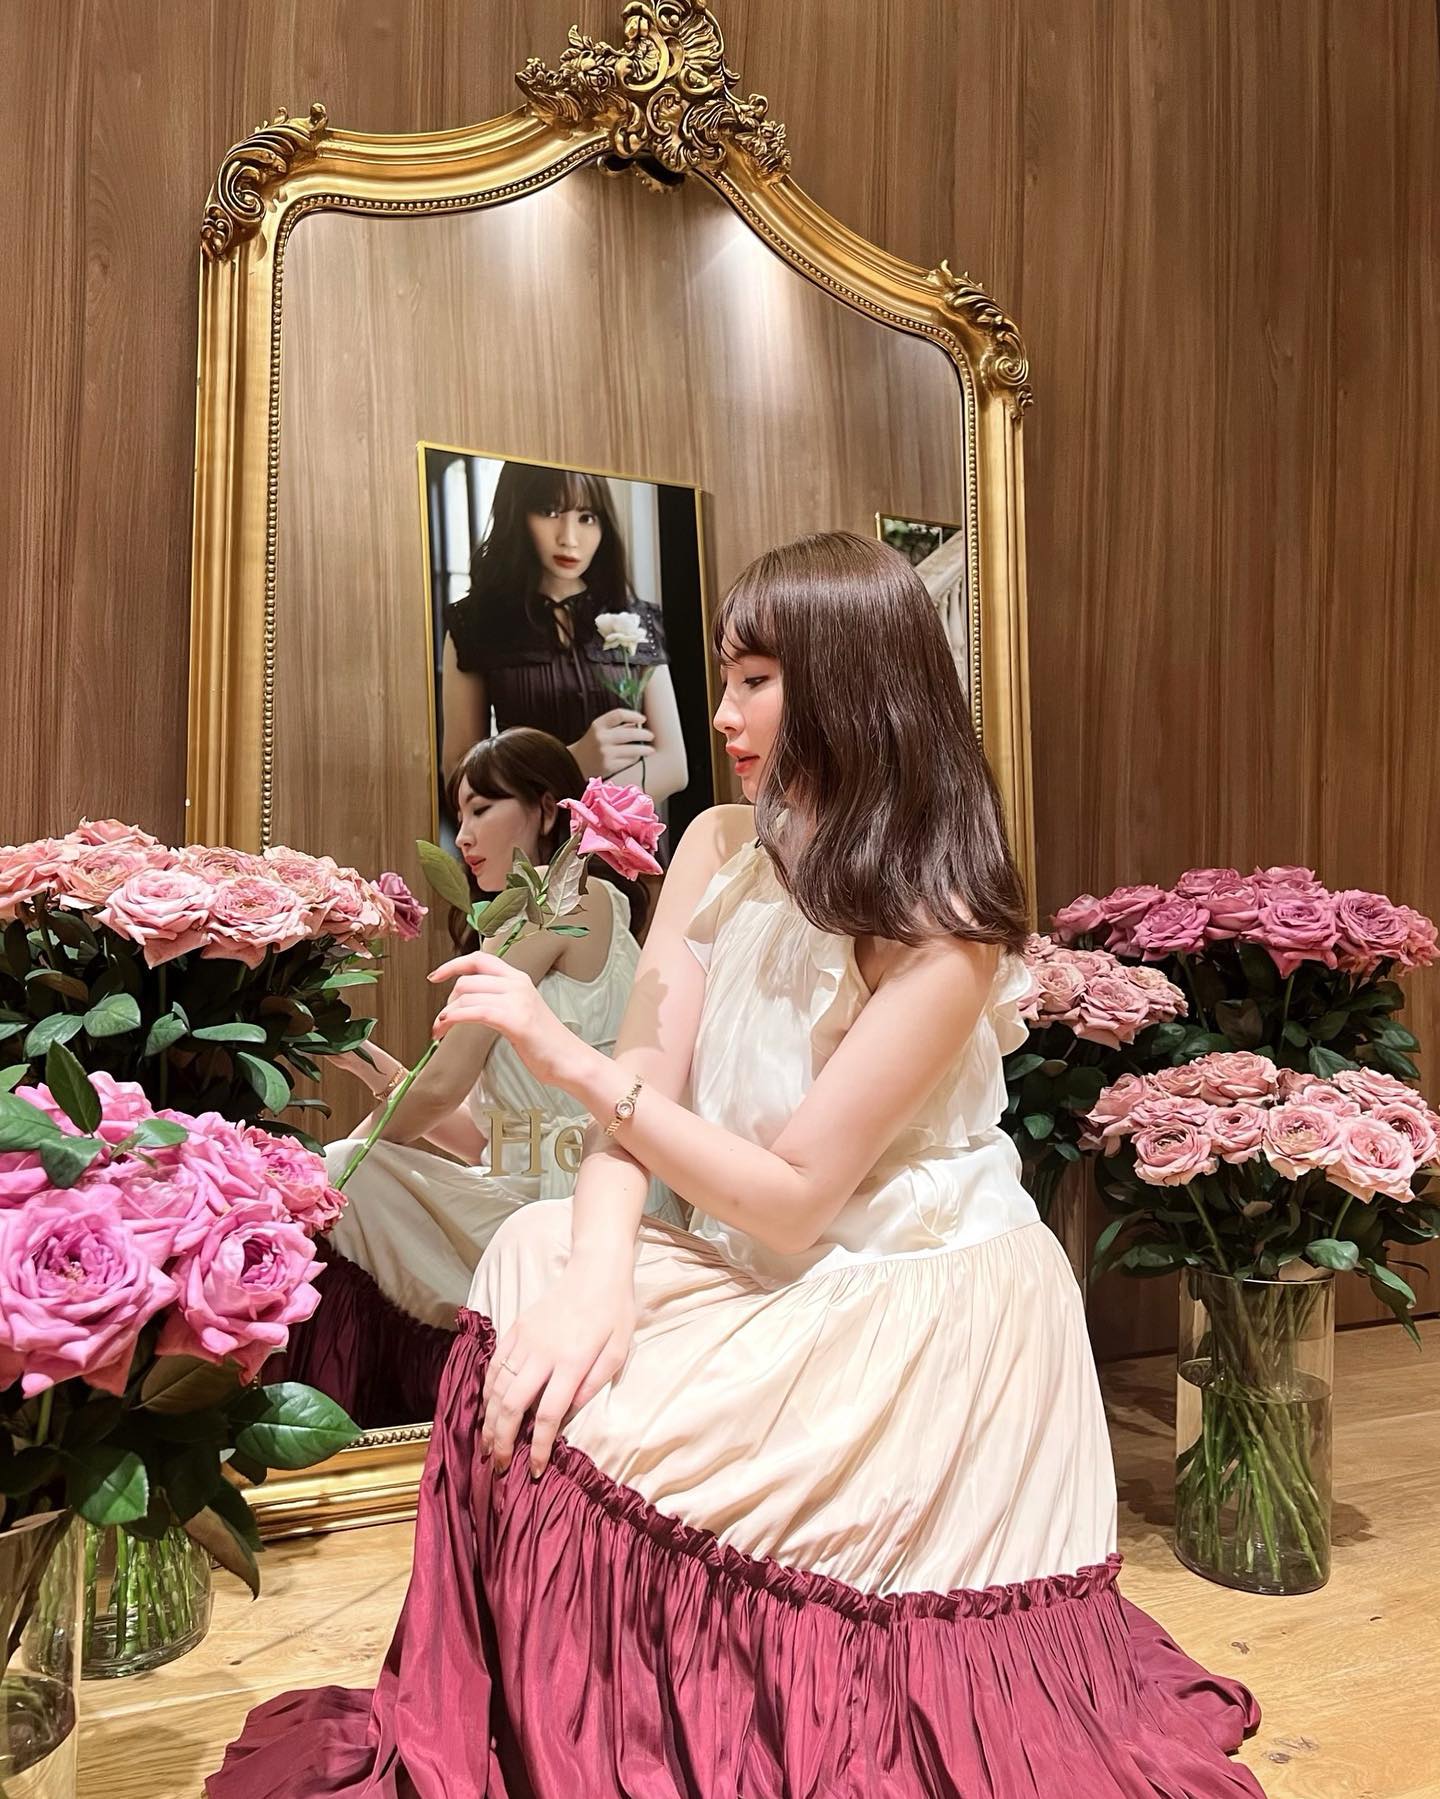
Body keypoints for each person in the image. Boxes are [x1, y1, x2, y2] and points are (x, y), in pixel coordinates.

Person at [212, 534, 1263, 1797]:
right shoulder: (719, 846)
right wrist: (597, 1274)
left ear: (853, 684)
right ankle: (578, 1725)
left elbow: (793, 1195)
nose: (721, 714)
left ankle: (688, 1723)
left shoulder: (948, 935)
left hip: (908, 1297)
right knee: (533, 1253)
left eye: (757, 680)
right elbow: (644, 1093)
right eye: (725, 676)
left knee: (577, 1347)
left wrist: (564, 1056)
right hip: (759, 1261)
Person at [277, 728, 683, 1428]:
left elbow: (438, 1091)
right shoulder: (566, 911)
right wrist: (360, 1058)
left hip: (582, 1200)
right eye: (458, 815)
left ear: (548, 809)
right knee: (344, 1178)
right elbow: (478, 1136)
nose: (463, 835)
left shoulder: (562, 902)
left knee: (338, 1181)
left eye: (482, 808)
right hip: (531, 1184)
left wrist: (327, 1172)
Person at [440, 460, 688, 810]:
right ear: (517, 512)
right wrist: (572, 762)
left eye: (586, 517)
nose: (569, 539)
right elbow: (457, 773)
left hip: (623, 838)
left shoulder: (634, 619)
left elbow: (674, 766)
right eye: (549, 511)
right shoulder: (474, 623)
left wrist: (587, 816)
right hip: (528, 839)